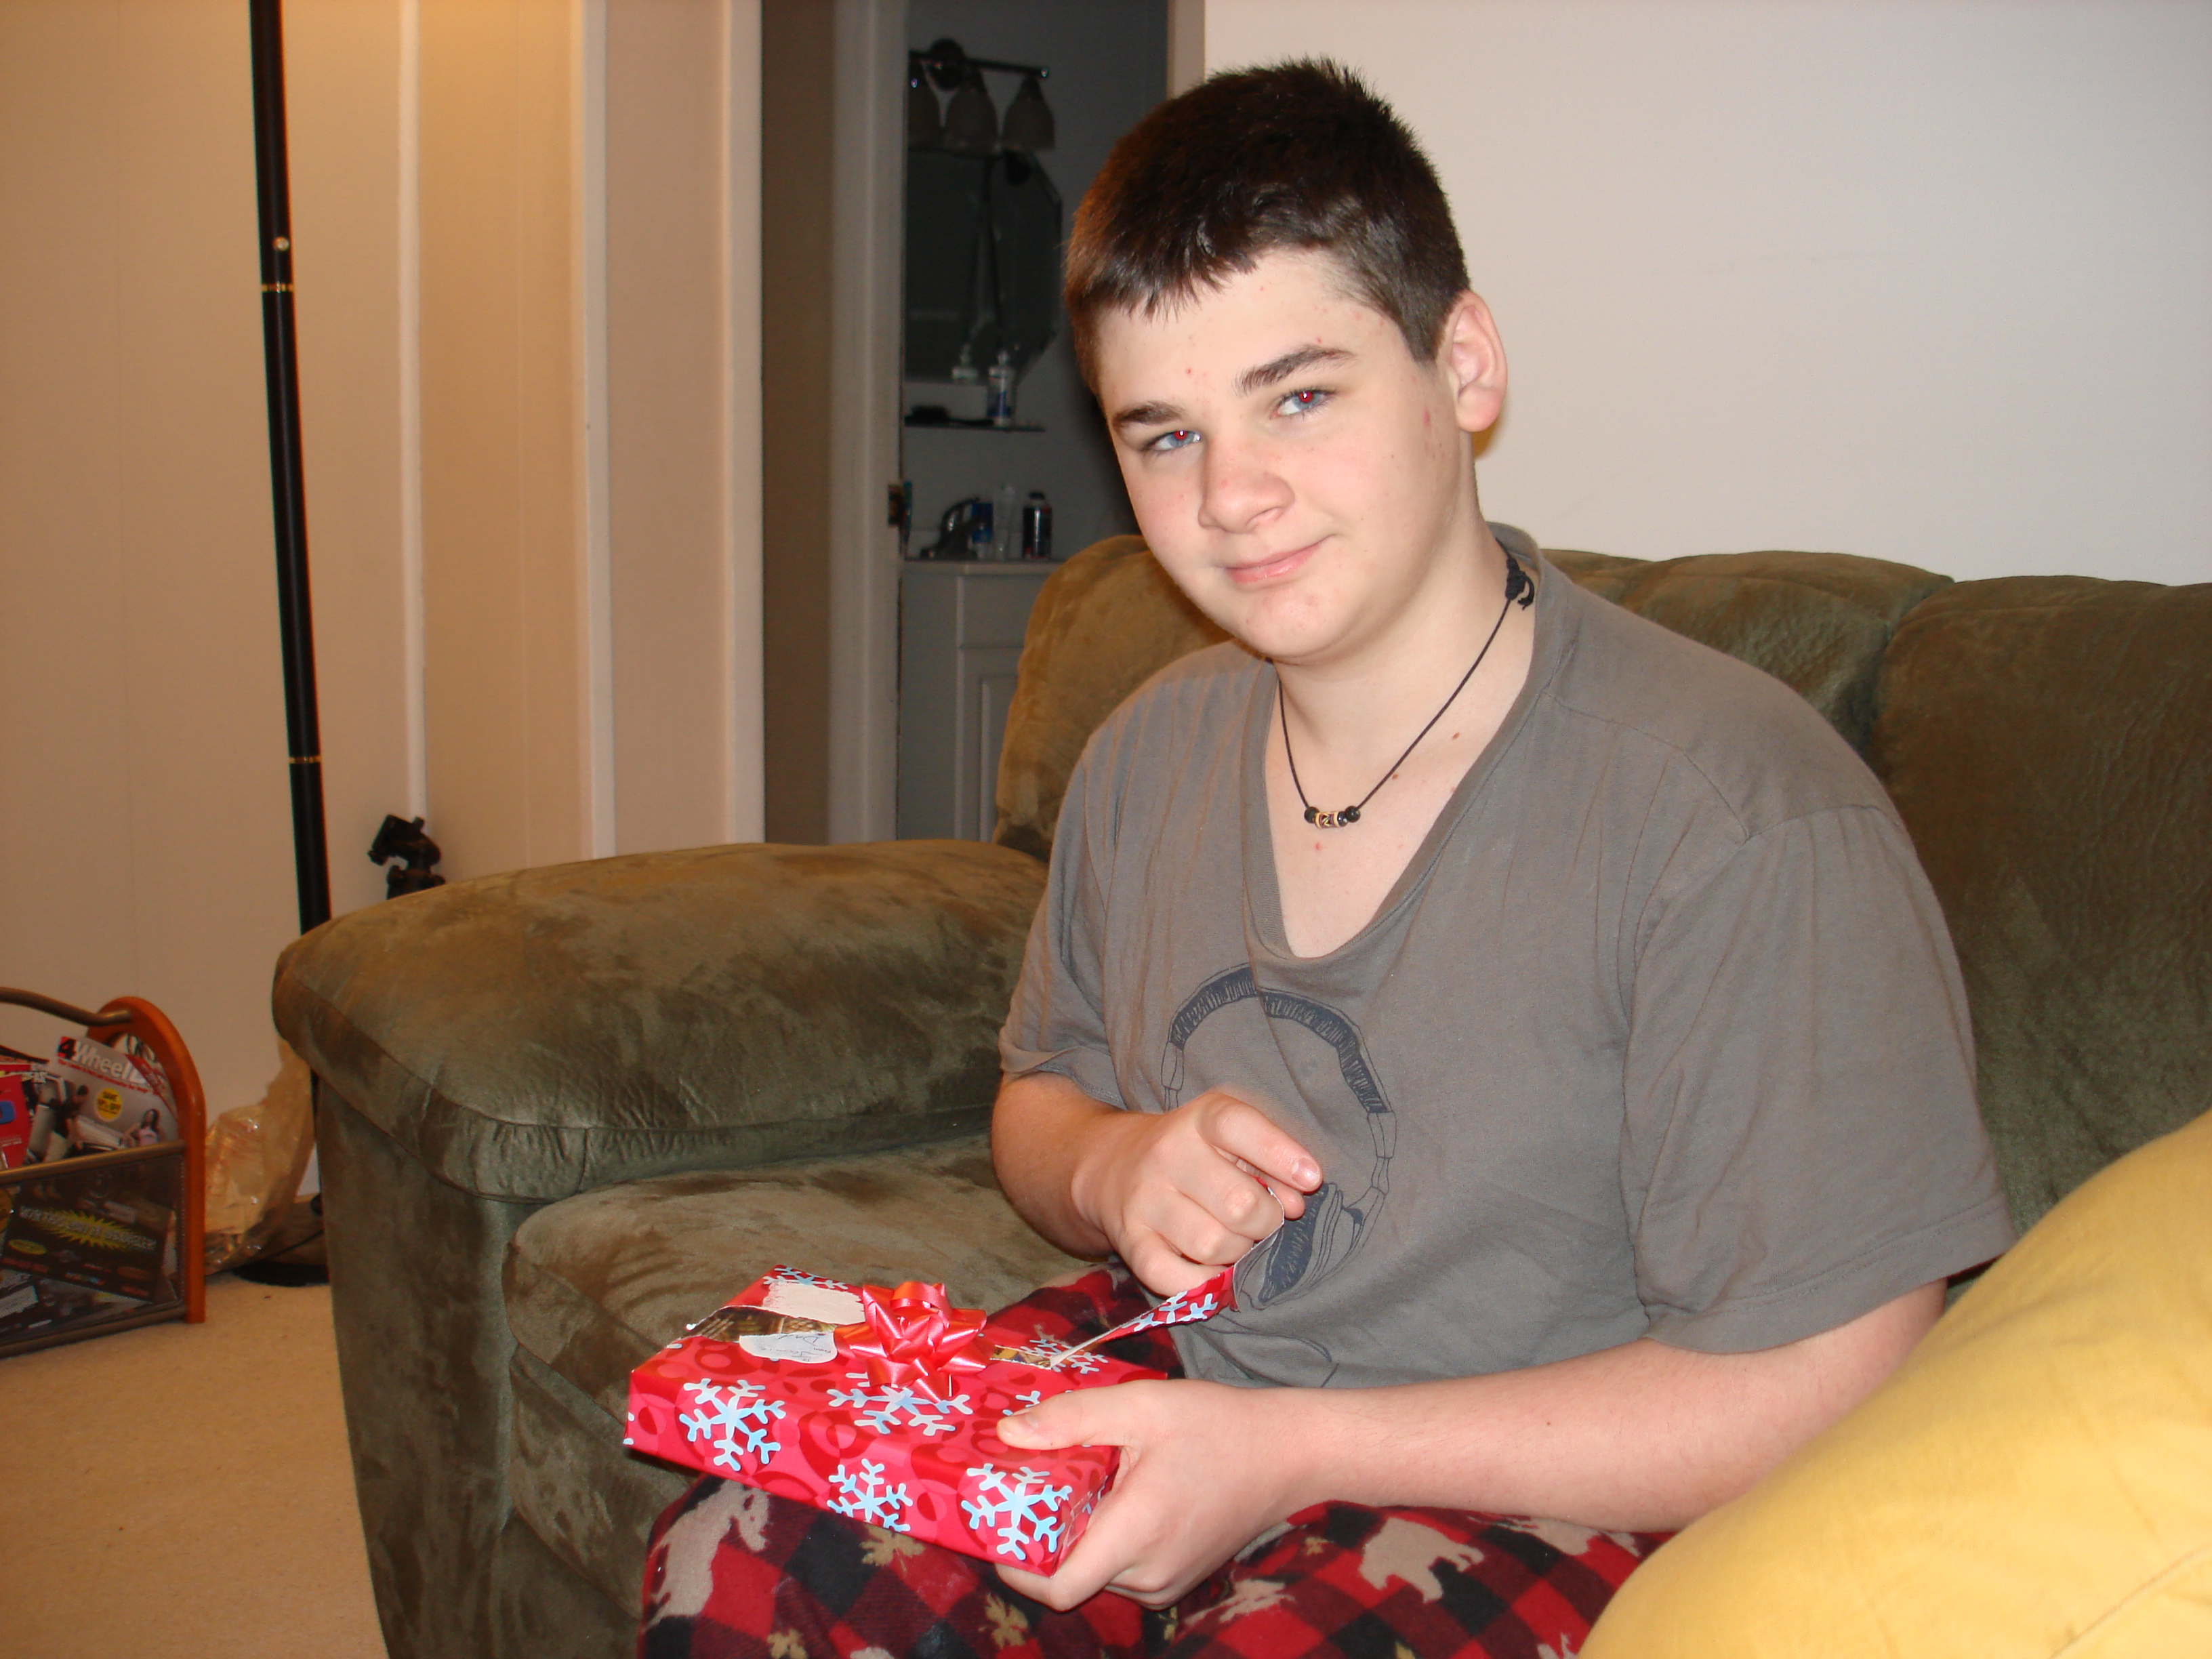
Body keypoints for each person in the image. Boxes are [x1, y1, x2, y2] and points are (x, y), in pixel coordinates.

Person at [641, 60, 2011, 1658]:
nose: (1232, 497)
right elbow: (1039, 1094)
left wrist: (1288, 1453)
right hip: (1191, 1373)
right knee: (751, 1544)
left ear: (1464, 365)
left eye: (1299, 396)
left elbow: (1835, 1381)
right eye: (1167, 434)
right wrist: (1111, 1167)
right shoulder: (1148, 753)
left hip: (1534, 1479)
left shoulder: (1737, 815)